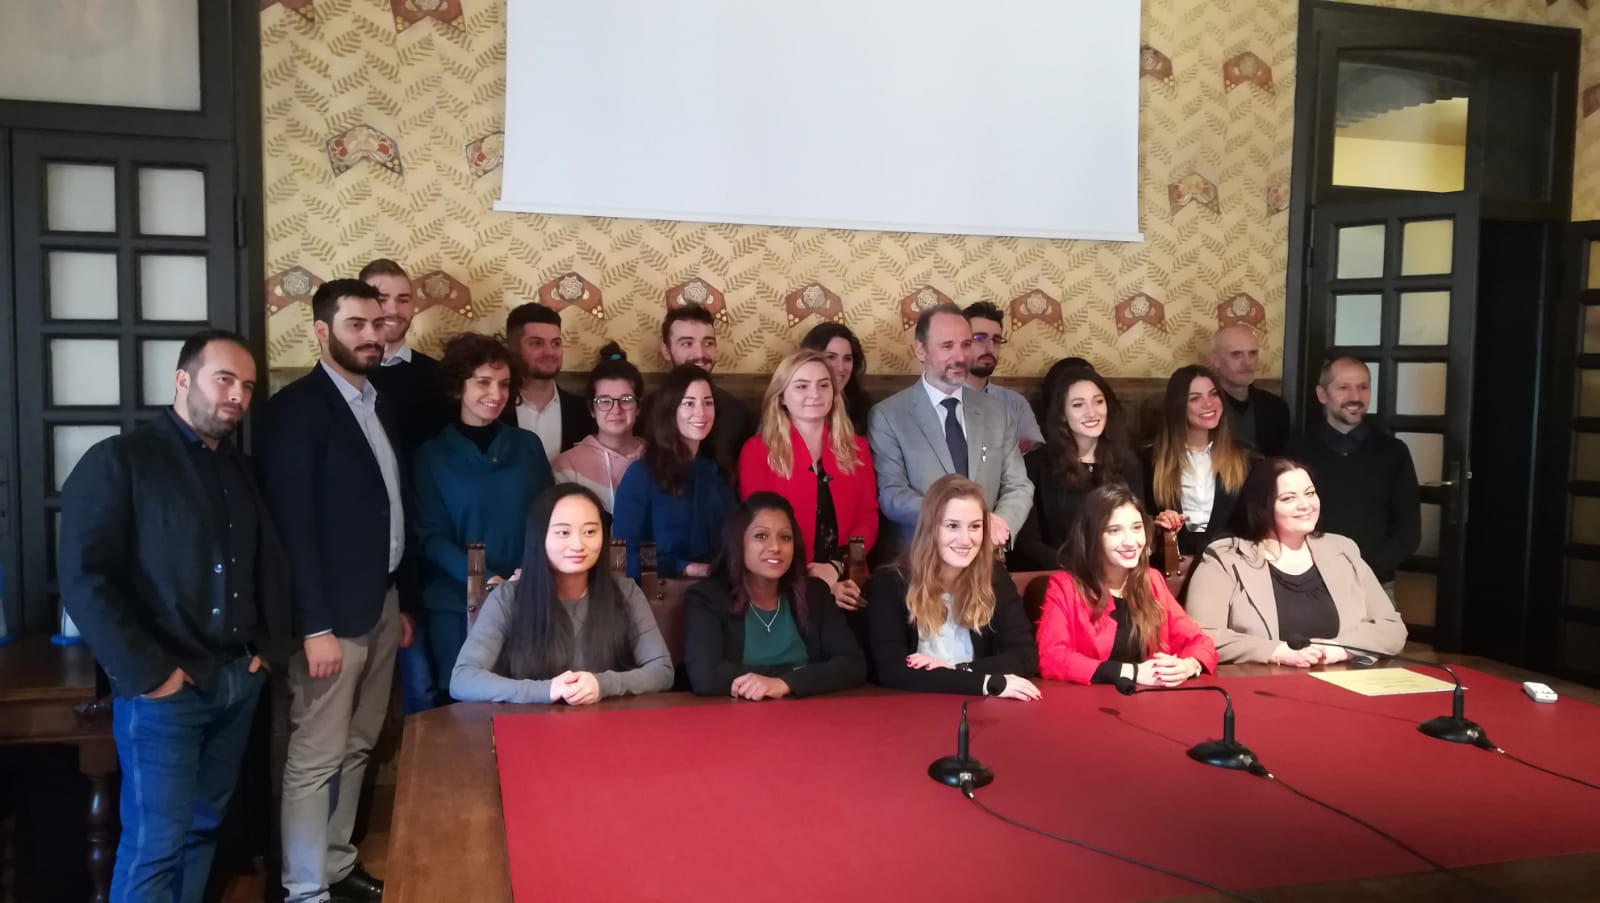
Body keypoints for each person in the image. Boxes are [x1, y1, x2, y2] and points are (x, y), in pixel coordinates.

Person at [57, 330, 290, 903]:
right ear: (183, 380)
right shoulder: (122, 461)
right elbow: (84, 577)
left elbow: (267, 562)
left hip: (239, 678)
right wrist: (151, 674)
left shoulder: (240, 468)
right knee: (155, 843)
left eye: (247, 386)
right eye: (224, 379)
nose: (237, 395)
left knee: (203, 829)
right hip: (165, 688)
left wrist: (266, 650)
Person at [256, 279, 419, 903]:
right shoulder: (296, 411)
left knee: (358, 745)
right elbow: (291, 529)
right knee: (316, 753)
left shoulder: (379, 402)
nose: (373, 335)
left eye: (378, 324)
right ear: (322, 331)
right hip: (328, 618)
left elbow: (387, 507)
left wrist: (400, 601)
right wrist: (314, 625)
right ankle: (304, 888)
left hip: (380, 601)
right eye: (357, 325)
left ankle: (337, 862)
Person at [413, 333, 554, 704]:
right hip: (456, 605)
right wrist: (486, 578)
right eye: (483, 382)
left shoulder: (527, 446)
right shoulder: (431, 455)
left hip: (525, 598)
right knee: (460, 713)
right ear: (457, 387)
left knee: (528, 706)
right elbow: (430, 537)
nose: (496, 393)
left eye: (504, 384)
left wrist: (528, 578)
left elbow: (549, 519)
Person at [450, 485, 673, 703]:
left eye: (590, 532)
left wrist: (603, 684)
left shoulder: (626, 593)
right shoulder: (507, 599)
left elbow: (662, 670)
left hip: (609, 722)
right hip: (528, 723)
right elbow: (463, 679)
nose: (578, 544)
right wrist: (546, 690)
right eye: (563, 532)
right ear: (540, 536)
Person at [1186, 457, 1408, 665]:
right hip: (1261, 685)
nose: (1305, 505)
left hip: (1341, 681)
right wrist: (1275, 652)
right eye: (1288, 498)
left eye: (1310, 493)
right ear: (1261, 507)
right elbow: (1201, 635)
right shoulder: (1225, 556)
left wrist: (1341, 649)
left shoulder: (1343, 549)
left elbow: (1392, 628)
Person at [868, 303, 1032, 552]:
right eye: (947, 346)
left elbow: (1019, 485)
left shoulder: (996, 411)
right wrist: (961, 522)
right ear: (921, 350)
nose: (960, 356)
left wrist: (999, 529)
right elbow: (892, 495)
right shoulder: (888, 415)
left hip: (986, 556)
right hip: (921, 559)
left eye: (966, 344)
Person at [864, 475, 1040, 698]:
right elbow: (892, 670)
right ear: (931, 529)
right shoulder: (890, 582)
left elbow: (1024, 656)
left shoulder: (995, 577)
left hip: (976, 707)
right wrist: (985, 683)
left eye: (975, 526)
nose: (965, 539)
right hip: (911, 709)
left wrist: (959, 670)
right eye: (952, 526)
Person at [683, 493, 866, 699]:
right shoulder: (706, 598)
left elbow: (853, 664)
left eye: (785, 537)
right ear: (739, 542)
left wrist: (785, 683)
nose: (776, 547)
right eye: (761, 536)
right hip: (737, 714)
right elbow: (706, 677)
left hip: (810, 712)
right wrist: (799, 674)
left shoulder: (815, 593)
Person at [738, 350, 878, 614]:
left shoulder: (857, 448)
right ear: (781, 396)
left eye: (824, 385)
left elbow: (867, 518)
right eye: (802, 386)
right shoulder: (756, 451)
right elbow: (761, 528)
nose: (815, 394)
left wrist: (836, 568)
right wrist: (816, 582)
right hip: (783, 581)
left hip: (850, 576)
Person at [1036, 484, 1217, 685]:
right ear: (1092, 536)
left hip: (1151, 699)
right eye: (1115, 531)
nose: (1130, 542)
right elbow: (1051, 657)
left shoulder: (1152, 580)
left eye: (1137, 528)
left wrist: (1189, 666)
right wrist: (1131, 672)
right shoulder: (1065, 586)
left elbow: (1201, 643)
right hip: (1092, 700)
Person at [1287, 357, 1420, 597]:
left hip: (1375, 584)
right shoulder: (1296, 452)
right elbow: (1283, 519)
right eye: (1344, 387)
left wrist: (1369, 570)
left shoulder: (1393, 452)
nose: (1355, 396)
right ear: (1322, 394)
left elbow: (1409, 531)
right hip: (1310, 583)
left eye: (1363, 387)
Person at [1012, 367, 1147, 570]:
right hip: (1058, 573)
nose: (1091, 412)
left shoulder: (1128, 463)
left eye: (1098, 401)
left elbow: (1138, 526)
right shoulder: (1036, 465)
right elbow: (1028, 542)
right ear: (1062, 414)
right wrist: (1078, 569)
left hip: (1118, 572)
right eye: (1078, 405)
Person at [612, 364, 739, 579]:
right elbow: (621, 560)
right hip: (658, 593)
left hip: (718, 591)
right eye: (689, 403)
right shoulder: (641, 475)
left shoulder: (720, 471)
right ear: (670, 410)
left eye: (708, 402)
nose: (701, 412)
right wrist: (682, 567)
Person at [1144, 365, 1253, 559]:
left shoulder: (1247, 459)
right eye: (1195, 398)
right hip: (1170, 567)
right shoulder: (1149, 460)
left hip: (1229, 565)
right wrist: (1159, 525)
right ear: (1178, 406)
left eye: (1214, 394)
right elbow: (1140, 523)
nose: (1208, 403)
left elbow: (1252, 526)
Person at [655, 303, 757, 478]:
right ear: (666, 351)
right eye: (687, 343)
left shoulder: (739, 414)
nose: (700, 354)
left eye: (708, 343)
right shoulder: (647, 411)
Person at [361, 258, 449, 453]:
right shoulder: (343, 376)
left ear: (413, 306)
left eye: (403, 300)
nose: (393, 310)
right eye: (381, 299)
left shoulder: (440, 375)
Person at [551, 342, 646, 514]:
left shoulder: (659, 457)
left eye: (626, 400)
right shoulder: (567, 466)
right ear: (592, 409)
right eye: (604, 401)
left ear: (638, 407)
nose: (616, 410)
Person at [503, 302, 596, 463]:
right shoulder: (495, 409)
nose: (550, 352)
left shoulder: (585, 412)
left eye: (556, 343)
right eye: (536, 343)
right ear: (513, 349)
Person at [963, 301, 1045, 451]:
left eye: (996, 340)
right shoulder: (941, 399)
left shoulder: (1015, 402)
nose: (990, 348)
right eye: (979, 338)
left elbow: (1034, 454)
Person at [1210, 324, 1291, 455]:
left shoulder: (1276, 408)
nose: (1247, 363)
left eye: (1253, 353)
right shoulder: (1203, 408)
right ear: (1215, 360)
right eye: (1236, 354)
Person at [800, 321, 873, 434]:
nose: (841, 367)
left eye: (847, 358)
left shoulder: (865, 409)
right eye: (831, 357)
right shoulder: (792, 403)